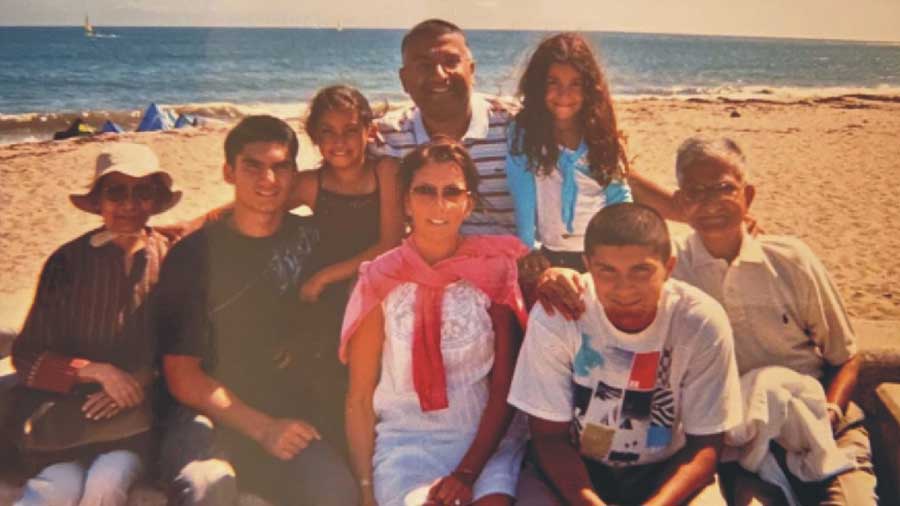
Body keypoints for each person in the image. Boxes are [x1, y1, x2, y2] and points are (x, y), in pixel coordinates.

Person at [155, 115, 357, 506]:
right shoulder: (194, 255)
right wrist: (264, 429)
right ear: (229, 172)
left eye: (281, 166)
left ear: (294, 173)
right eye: (253, 166)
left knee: (336, 493)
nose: (269, 179)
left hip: (286, 408)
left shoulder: (312, 240)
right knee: (206, 487)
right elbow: (182, 376)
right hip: (207, 414)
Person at [669, 136, 877, 505]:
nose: (711, 202)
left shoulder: (790, 260)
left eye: (723, 188)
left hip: (821, 421)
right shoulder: (673, 270)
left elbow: (845, 355)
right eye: (696, 192)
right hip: (743, 444)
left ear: (748, 196)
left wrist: (828, 414)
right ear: (682, 203)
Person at [508, 203, 743, 506]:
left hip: (666, 471)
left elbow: (705, 444)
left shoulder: (700, 321)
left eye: (641, 270)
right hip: (573, 471)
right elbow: (548, 437)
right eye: (607, 271)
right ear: (588, 266)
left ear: (669, 267)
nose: (624, 288)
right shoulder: (559, 313)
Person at [342, 139, 529, 506]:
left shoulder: (493, 269)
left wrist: (467, 473)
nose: (439, 205)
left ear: (468, 203)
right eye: (425, 191)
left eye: (452, 192)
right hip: (406, 443)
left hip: (484, 442)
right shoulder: (379, 278)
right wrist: (365, 490)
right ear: (406, 202)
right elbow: (360, 398)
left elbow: (505, 385)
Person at [375, 19, 677, 237]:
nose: (439, 75)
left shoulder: (516, 125)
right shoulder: (386, 137)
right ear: (403, 79)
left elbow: (599, 164)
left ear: (472, 70)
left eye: (451, 61)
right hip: (433, 266)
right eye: (424, 66)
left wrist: (681, 209)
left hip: (513, 268)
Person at [9, 143, 180, 506]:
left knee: (106, 482)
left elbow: (184, 343)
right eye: (116, 191)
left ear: (155, 201)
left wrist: (137, 380)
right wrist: (96, 372)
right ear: (99, 201)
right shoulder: (67, 262)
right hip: (65, 423)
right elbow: (26, 355)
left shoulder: (171, 259)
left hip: (137, 424)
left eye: (142, 192)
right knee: (51, 491)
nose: (129, 205)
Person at [506, 32, 632, 276]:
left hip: (598, 253)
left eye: (575, 84)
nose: (564, 94)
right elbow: (522, 192)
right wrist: (528, 248)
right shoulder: (525, 134)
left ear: (589, 89)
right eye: (552, 82)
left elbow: (618, 196)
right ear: (537, 85)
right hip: (549, 254)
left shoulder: (601, 135)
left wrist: (623, 246)